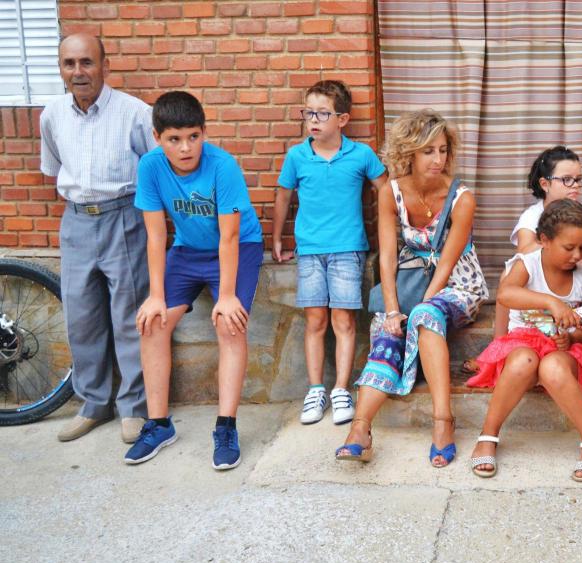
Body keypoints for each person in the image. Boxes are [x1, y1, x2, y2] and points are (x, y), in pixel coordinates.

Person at [335, 109, 488, 466]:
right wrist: (392, 310)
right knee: (387, 330)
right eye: (428, 151)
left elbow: (447, 263)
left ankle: (443, 421)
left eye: (443, 150)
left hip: (458, 284)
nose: (438, 159)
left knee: (424, 315)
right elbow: (388, 257)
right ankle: (360, 429)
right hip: (409, 279)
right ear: (409, 153)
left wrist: (420, 305)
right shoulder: (391, 192)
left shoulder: (462, 198)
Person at [124, 91, 264, 470]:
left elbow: (230, 236)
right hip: (187, 250)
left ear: (204, 132)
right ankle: (158, 425)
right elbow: (156, 235)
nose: (185, 148)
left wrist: (228, 295)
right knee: (153, 323)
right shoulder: (151, 167)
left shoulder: (223, 166)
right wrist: (156, 295)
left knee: (230, 324)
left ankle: (226, 427)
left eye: (193, 137)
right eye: (174, 139)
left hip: (239, 246)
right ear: (157, 137)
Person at [39, 34, 155, 444]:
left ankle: (134, 407)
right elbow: (54, 166)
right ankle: (93, 404)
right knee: (81, 317)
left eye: (86, 62)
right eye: (69, 64)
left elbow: (155, 168)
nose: (78, 72)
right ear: (61, 69)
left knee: (130, 316)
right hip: (75, 223)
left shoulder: (135, 113)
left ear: (105, 65)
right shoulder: (52, 115)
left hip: (124, 218)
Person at [272, 80, 387, 426]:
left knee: (343, 320)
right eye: (308, 113)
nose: (313, 120)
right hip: (309, 250)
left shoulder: (361, 155)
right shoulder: (297, 156)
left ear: (343, 119)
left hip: (348, 249)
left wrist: (390, 237)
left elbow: (385, 191)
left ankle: (340, 389)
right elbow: (283, 196)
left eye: (322, 113)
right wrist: (277, 238)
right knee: (316, 320)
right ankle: (315, 389)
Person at [467, 199, 582, 481]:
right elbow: (506, 295)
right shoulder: (527, 265)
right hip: (523, 345)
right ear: (544, 240)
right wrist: (551, 302)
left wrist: (572, 336)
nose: (577, 255)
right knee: (523, 360)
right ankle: (488, 435)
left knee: (552, 366)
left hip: (564, 351)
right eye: (569, 247)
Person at [464, 147, 582, 375]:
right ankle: (497, 345)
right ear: (545, 184)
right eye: (567, 180)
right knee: (508, 274)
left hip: (565, 280)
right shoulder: (533, 215)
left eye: (579, 180)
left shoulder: (580, 215)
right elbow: (525, 250)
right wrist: (556, 244)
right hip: (538, 279)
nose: (575, 186)